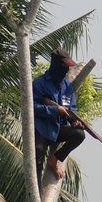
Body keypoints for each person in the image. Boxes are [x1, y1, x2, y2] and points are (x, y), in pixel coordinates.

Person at [32, 48, 86, 182]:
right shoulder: (39, 83)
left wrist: (75, 122)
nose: (66, 70)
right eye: (64, 67)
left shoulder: (67, 86)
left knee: (79, 134)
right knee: (37, 158)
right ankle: (37, 200)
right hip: (41, 131)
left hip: (58, 130)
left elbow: (71, 109)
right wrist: (55, 110)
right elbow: (32, 108)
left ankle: (55, 158)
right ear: (56, 65)